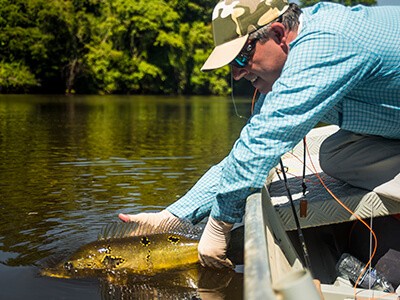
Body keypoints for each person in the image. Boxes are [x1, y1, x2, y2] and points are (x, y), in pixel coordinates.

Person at [119, 0, 400, 269]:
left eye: (242, 56)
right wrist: (173, 217)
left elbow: (262, 143)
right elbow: (247, 149)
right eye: (232, 63)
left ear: (278, 34)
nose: (237, 73)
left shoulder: (324, 44)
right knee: (334, 154)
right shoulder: (294, 58)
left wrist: (220, 224)